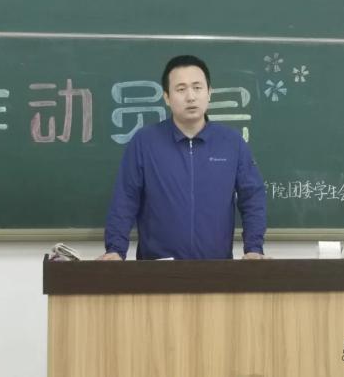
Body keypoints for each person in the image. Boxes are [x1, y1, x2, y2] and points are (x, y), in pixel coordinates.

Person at [98, 55, 267, 260]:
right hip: (156, 269)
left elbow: (252, 197)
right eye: (181, 89)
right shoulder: (145, 142)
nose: (191, 97)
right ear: (167, 97)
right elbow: (125, 199)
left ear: (209, 93)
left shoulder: (232, 142)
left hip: (216, 268)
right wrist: (115, 250)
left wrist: (254, 249)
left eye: (197, 87)